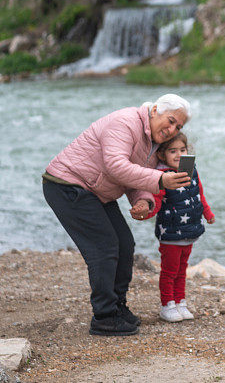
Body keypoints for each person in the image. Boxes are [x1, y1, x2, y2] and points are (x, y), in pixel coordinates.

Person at [42, 94, 193, 336]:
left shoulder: (152, 143)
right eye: (171, 120)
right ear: (154, 110)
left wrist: (143, 200)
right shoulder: (125, 122)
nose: (173, 129)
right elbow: (116, 165)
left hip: (96, 190)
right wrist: (160, 179)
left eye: (179, 126)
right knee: (104, 247)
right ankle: (104, 317)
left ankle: (117, 307)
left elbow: (135, 176)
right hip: (67, 184)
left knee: (124, 244)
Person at [138, 132, 215, 323]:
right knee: (169, 270)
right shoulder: (162, 176)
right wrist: (144, 212)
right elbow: (154, 201)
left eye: (182, 150)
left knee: (182, 269)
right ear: (162, 155)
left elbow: (199, 194)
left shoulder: (191, 170)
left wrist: (207, 213)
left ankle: (180, 302)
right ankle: (167, 305)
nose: (179, 154)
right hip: (171, 233)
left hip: (189, 230)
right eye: (173, 151)